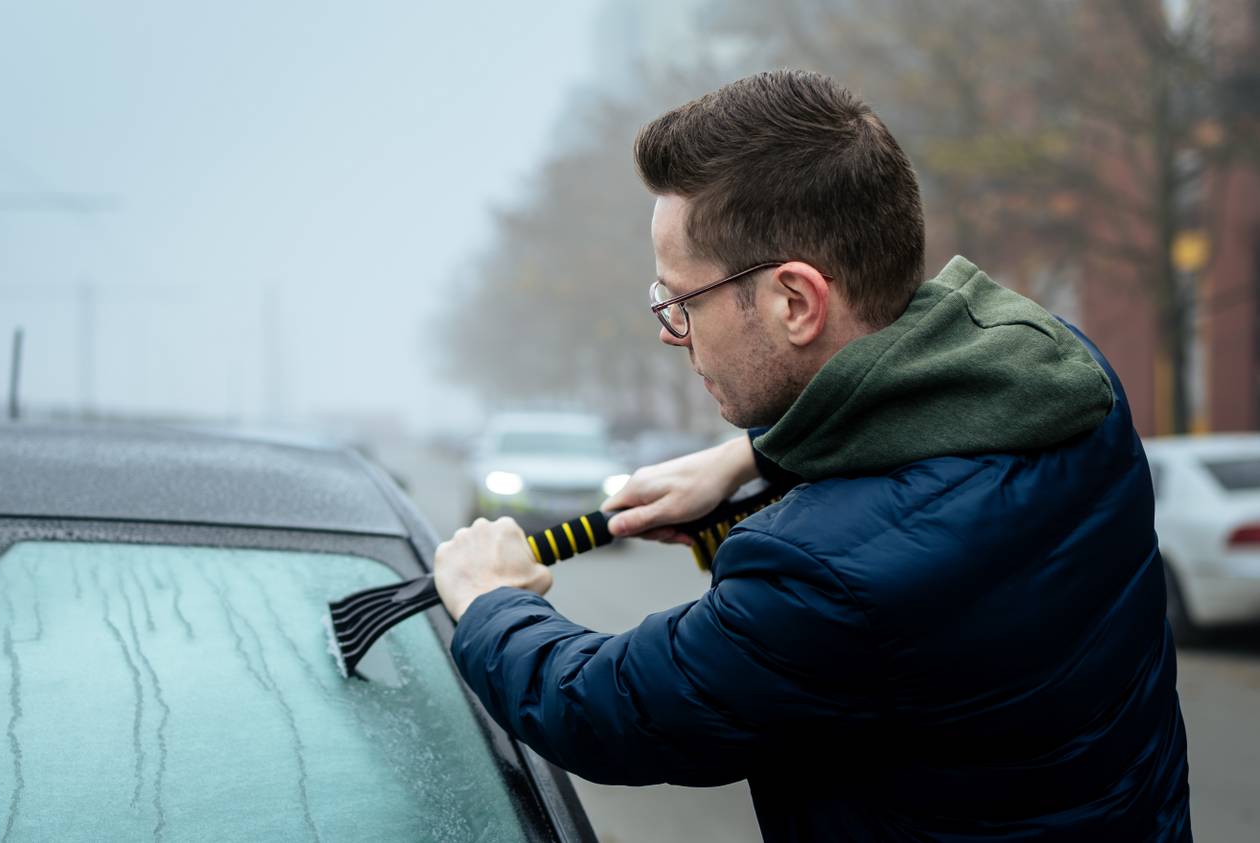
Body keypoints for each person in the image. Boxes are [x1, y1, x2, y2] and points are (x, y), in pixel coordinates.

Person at [432, 70, 1192, 840]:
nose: (670, 333)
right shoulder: (1070, 383)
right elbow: (916, 425)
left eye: (680, 302)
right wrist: (752, 459)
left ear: (794, 301)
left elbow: (609, 708)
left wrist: (492, 600)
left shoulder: (821, 573)